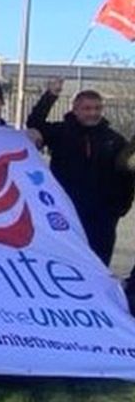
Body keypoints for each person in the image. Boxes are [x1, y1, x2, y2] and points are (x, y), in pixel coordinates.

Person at [27, 78, 134, 266]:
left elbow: (126, 174)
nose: (93, 113)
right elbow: (34, 123)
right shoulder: (61, 132)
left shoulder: (114, 140)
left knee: (98, 265)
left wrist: (119, 208)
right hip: (66, 212)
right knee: (63, 261)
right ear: (75, 109)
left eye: (97, 108)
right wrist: (50, 95)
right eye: (87, 108)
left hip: (102, 218)